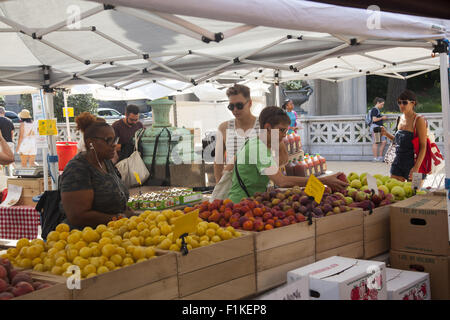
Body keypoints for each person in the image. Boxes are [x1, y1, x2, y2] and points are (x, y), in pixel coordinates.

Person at [227, 106, 348, 203]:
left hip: (252, 201)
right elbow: (282, 181)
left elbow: (284, 160)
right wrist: (324, 180)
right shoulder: (258, 148)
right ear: (268, 128)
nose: (285, 135)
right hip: (240, 203)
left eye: (286, 130)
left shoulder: (261, 144)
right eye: (281, 130)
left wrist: (278, 138)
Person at [59, 113, 133, 229]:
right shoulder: (77, 169)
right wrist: (117, 218)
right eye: (108, 140)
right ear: (90, 143)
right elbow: (78, 216)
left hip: (112, 233)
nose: (114, 145)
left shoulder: (106, 162)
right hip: (86, 239)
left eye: (115, 140)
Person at [214, 84, 288, 184]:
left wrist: (263, 169)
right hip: (233, 189)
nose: (235, 110)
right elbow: (218, 162)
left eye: (239, 105)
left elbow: (283, 156)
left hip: (260, 188)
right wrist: (219, 186)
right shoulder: (223, 128)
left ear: (249, 103)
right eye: (231, 106)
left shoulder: (264, 125)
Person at [381, 90, 427, 182]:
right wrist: (386, 134)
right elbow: (399, 141)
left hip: (414, 162)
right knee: (394, 191)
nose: (401, 105)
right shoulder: (399, 118)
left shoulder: (419, 120)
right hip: (398, 162)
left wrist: (416, 167)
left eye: (405, 102)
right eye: (399, 102)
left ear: (413, 103)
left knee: (414, 194)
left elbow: (423, 146)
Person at [369, 97, 387, 162]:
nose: (382, 106)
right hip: (376, 127)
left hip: (379, 127)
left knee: (384, 142)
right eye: (382, 104)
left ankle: (380, 157)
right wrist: (382, 117)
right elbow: (374, 119)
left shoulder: (376, 110)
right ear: (378, 103)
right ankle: (375, 158)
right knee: (376, 143)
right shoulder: (374, 110)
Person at [0, 107, 15, 173]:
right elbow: (12, 133)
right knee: (10, 161)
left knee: (2, 161)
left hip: (1, 143)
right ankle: (12, 174)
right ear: (4, 112)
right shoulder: (9, 121)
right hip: (9, 142)